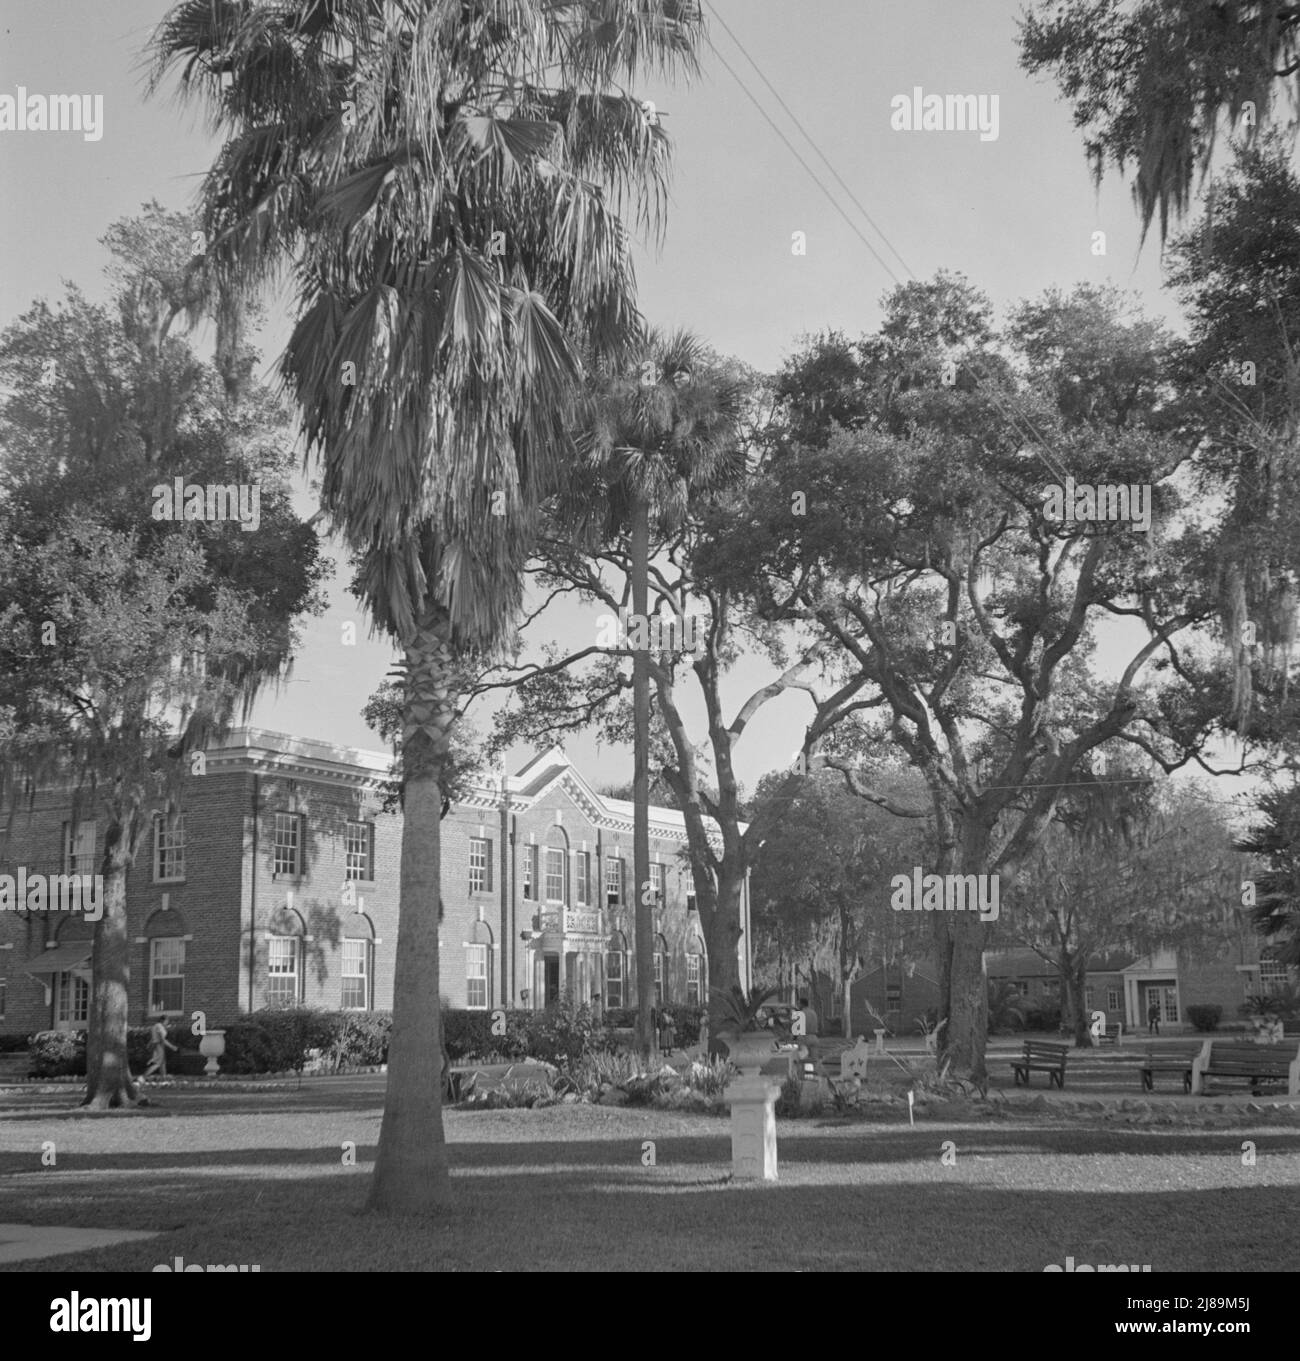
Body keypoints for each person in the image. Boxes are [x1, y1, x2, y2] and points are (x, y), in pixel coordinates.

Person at [798, 994, 821, 1075]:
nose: (798, 1005)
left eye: (799, 1003)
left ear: (801, 1004)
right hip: (814, 1037)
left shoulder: (800, 1013)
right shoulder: (813, 1012)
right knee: (814, 1059)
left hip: (804, 1037)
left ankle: (804, 1075)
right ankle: (815, 1073)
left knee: (802, 1058)